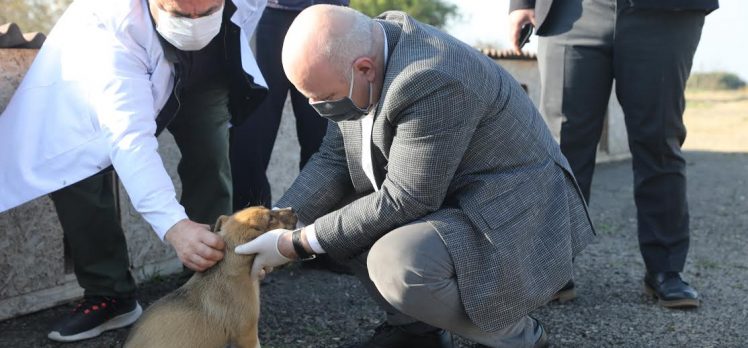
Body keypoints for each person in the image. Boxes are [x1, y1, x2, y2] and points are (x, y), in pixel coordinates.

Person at [236, 5, 595, 348]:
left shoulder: (431, 75)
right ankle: (417, 333)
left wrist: (294, 243)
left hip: (512, 214)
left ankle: (519, 337)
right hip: (456, 196)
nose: (321, 109)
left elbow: (407, 199)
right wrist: (277, 223)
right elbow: (334, 159)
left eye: (326, 97)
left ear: (364, 69)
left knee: (397, 262)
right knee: (342, 213)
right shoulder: (369, 48)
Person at [0, 0, 267, 342]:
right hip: (103, 75)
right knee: (75, 172)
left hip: (210, 65)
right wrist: (174, 226)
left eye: (207, 10)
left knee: (210, 158)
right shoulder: (113, 25)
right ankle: (110, 293)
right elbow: (130, 139)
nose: (195, 21)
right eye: (182, 13)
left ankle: (217, 286)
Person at [508, 0, 718, 309]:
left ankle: (666, 269)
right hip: (572, 11)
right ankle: (552, 267)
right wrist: (521, 3)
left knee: (659, 140)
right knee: (561, 145)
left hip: (667, 14)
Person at [230, 0, 349, 210]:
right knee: (247, 145)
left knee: (324, 143)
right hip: (263, 13)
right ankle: (251, 233)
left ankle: (317, 233)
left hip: (328, 17)